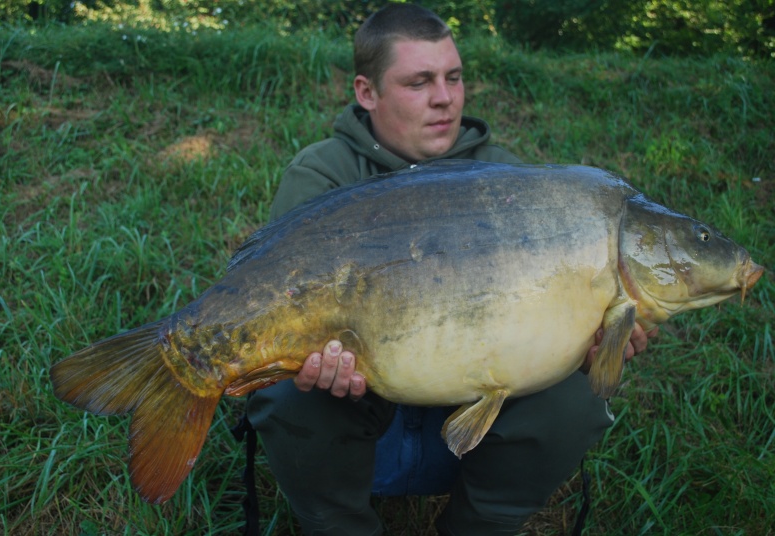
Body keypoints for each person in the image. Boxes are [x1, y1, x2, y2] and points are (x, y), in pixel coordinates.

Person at [246, 4, 656, 535]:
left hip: (471, 426)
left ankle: (475, 526)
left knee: (576, 399)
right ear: (367, 92)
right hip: (365, 421)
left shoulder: (507, 177)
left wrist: (587, 349)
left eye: (454, 77)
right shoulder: (323, 175)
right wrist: (308, 359)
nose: (445, 98)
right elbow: (277, 302)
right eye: (419, 82)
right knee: (285, 392)